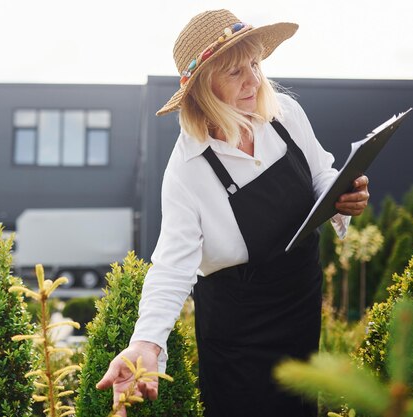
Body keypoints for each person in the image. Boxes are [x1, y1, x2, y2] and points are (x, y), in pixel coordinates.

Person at [96, 8, 370, 417]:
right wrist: (146, 345)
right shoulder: (188, 169)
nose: (254, 80)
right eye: (235, 72)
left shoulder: (286, 115)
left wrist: (340, 193)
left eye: (255, 64)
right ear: (205, 87)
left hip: (298, 299)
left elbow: (319, 170)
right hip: (238, 327)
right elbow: (172, 265)